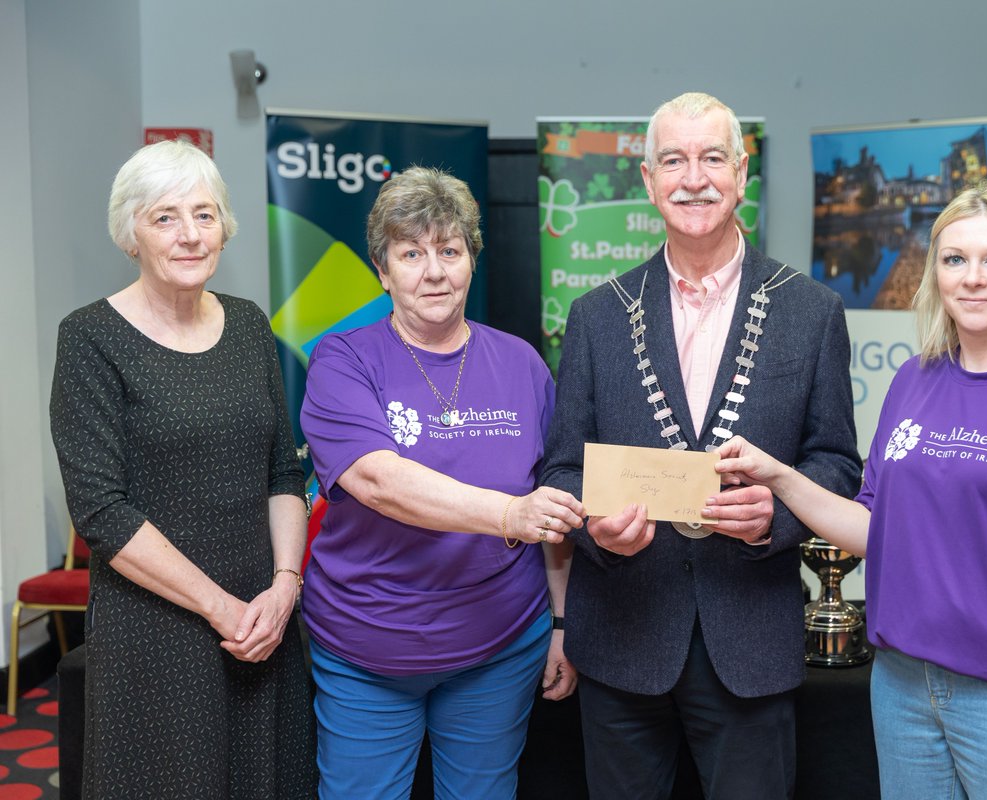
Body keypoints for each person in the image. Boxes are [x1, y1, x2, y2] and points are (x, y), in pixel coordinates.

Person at [714, 183, 987, 800]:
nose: (973, 278)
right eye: (954, 259)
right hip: (903, 691)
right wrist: (778, 475)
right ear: (934, 271)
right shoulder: (913, 381)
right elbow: (874, 528)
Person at [540, 92, 861, 799]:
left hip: (749, 641)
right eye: (675, 161)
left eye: (713, 157)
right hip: (621, 639)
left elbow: (836, 460)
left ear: (742, 174)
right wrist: (596, 530)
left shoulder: (812, 313)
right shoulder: (595, 316)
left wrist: (776, 519)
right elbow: (562, 465)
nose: (695, 178)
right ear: (648, 182)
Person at [299, 165, 585, 799]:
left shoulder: (522, 363)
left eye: (450, 251)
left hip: (499, 647)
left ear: (471, 261)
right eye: (411, 253)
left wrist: (562, 623)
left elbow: (556, 500)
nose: (434, 271)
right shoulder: (344, 359)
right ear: (383, 269)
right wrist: (509, 515)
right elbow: (378, 481)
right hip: (366, 652)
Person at [49, 140, 316, 799]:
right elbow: (101, 510)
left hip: (264, 620)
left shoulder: (251, 325)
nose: (190, 234)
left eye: (204, 214)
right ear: (130, 235)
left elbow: (283, 471)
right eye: (165, 217)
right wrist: (219, 609)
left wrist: (284, 588)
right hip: (158, 630)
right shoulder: (90, 337)